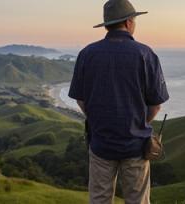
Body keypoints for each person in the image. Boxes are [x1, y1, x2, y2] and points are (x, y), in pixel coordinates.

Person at [68, 0, 169, 203]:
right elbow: (156, 104)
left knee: (99, 199)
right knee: (137, 200)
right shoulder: (145, 54)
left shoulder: (87, 54)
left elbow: (81, 99)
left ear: (107, 25)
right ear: (129, 22)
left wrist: (98, 119)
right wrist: (138, 123)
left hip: (101, 143)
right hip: (136, 145)